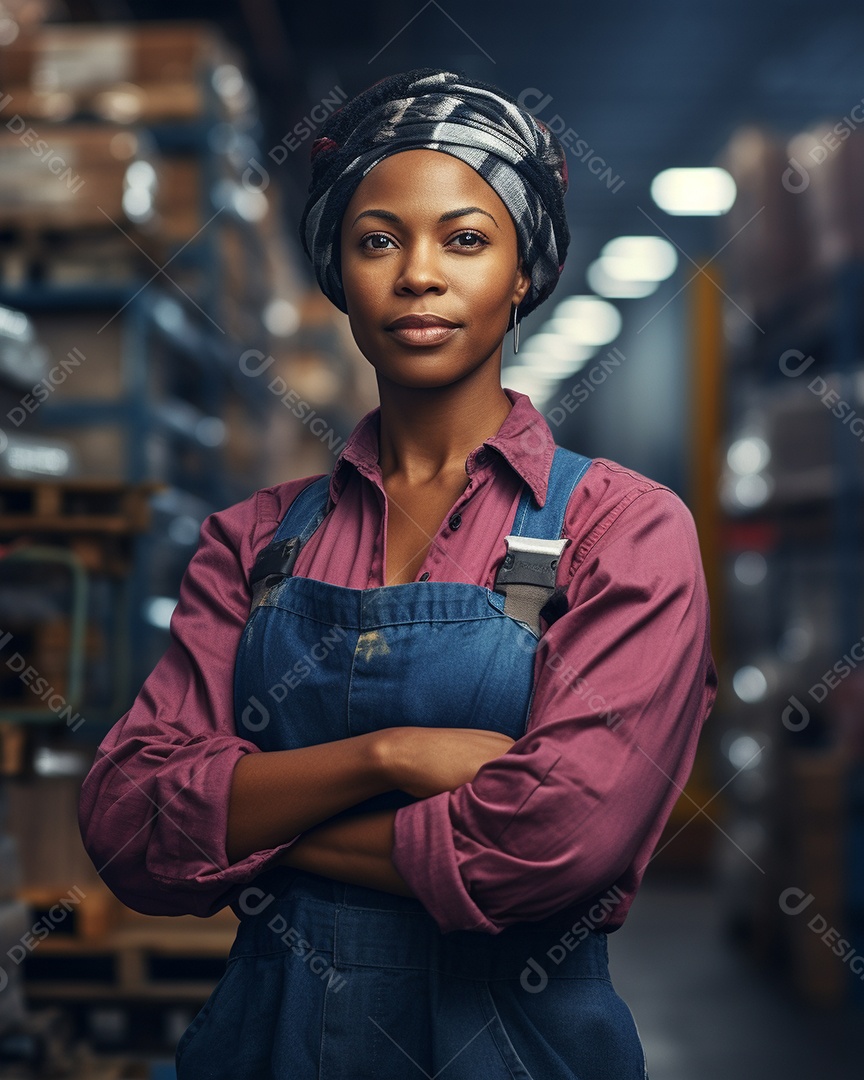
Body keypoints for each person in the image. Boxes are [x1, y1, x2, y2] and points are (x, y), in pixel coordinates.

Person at [78, 68, 717, 1079]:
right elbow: (125, 822)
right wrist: (396, 758)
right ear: (339, 270)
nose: (419, 273)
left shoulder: (625, 532)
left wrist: (259, 825)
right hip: (266, 1047)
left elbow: (556, 844)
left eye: (466, 238)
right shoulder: (250, 542)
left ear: (522, 274)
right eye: (379, 239)